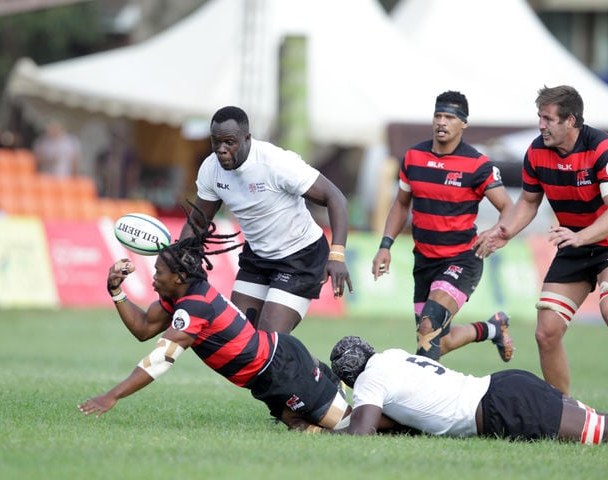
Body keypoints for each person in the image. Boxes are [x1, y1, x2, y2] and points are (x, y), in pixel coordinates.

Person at [78, 202, 351, 432]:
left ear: (179, 276)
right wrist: (116, 291)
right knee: (303, 429)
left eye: (159, 272)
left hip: (284, 369)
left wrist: (112, 395)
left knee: (353, 429)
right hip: (265, 379)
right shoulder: (180, 297)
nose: (154, 277)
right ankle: (332, 385)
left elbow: (160, 360)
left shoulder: (194, 307)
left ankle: (363, 396)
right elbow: (143, 328)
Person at [474, 85, 608, 406]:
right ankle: (564, 411)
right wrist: (506, 231)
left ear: (571, 120)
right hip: (575, 244)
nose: (541, 125)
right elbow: (529, 201)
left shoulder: (603, 149)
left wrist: (581, 236)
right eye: (539, 117)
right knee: (546, 331)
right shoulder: (536, 151)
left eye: (548, 119)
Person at [180, 105, 353, 334]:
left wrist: (337, 255)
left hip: (301, 257)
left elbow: (336, 198)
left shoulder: (276, 163)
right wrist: (179, 258)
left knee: (270, 341)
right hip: (258, 257)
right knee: (239, 339)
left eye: (229, 142)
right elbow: (199, 223)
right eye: (216, 142)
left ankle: (317, 372)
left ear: (247, 138)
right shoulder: (211, 168)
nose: (221, 150)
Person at [371, 90, 515, 362]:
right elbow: (401, 204)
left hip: (462, 258)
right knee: (438, 340)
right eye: (438, 115)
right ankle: (493, 328)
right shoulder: (413, 157)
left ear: (463, 123)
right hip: (424, 261)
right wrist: (385, 246)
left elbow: (508, 207)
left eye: (449, 117)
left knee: (428, 328)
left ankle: (421, 399)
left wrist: (498, 233)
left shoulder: (477, 164)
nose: (442, 122)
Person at [327, 335, 608, 444]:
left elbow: (361, 432)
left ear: (351, 377)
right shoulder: (391, 357)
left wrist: (321, 431)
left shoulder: (369, 380)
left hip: (503, 407)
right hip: (504, 385)